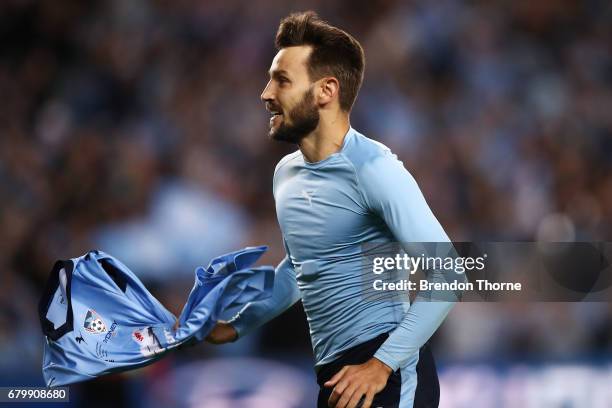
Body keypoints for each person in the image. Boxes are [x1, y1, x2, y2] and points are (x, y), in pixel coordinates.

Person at [206, 11, 457, 408]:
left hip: (387, 374)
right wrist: (233, 328)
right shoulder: (285, 174)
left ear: (326, 91)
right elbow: (297, 271)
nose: (266, 93)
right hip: (336, 378)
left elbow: (448, 274)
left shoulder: (374, 168)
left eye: (282, 80)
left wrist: (380, 365)